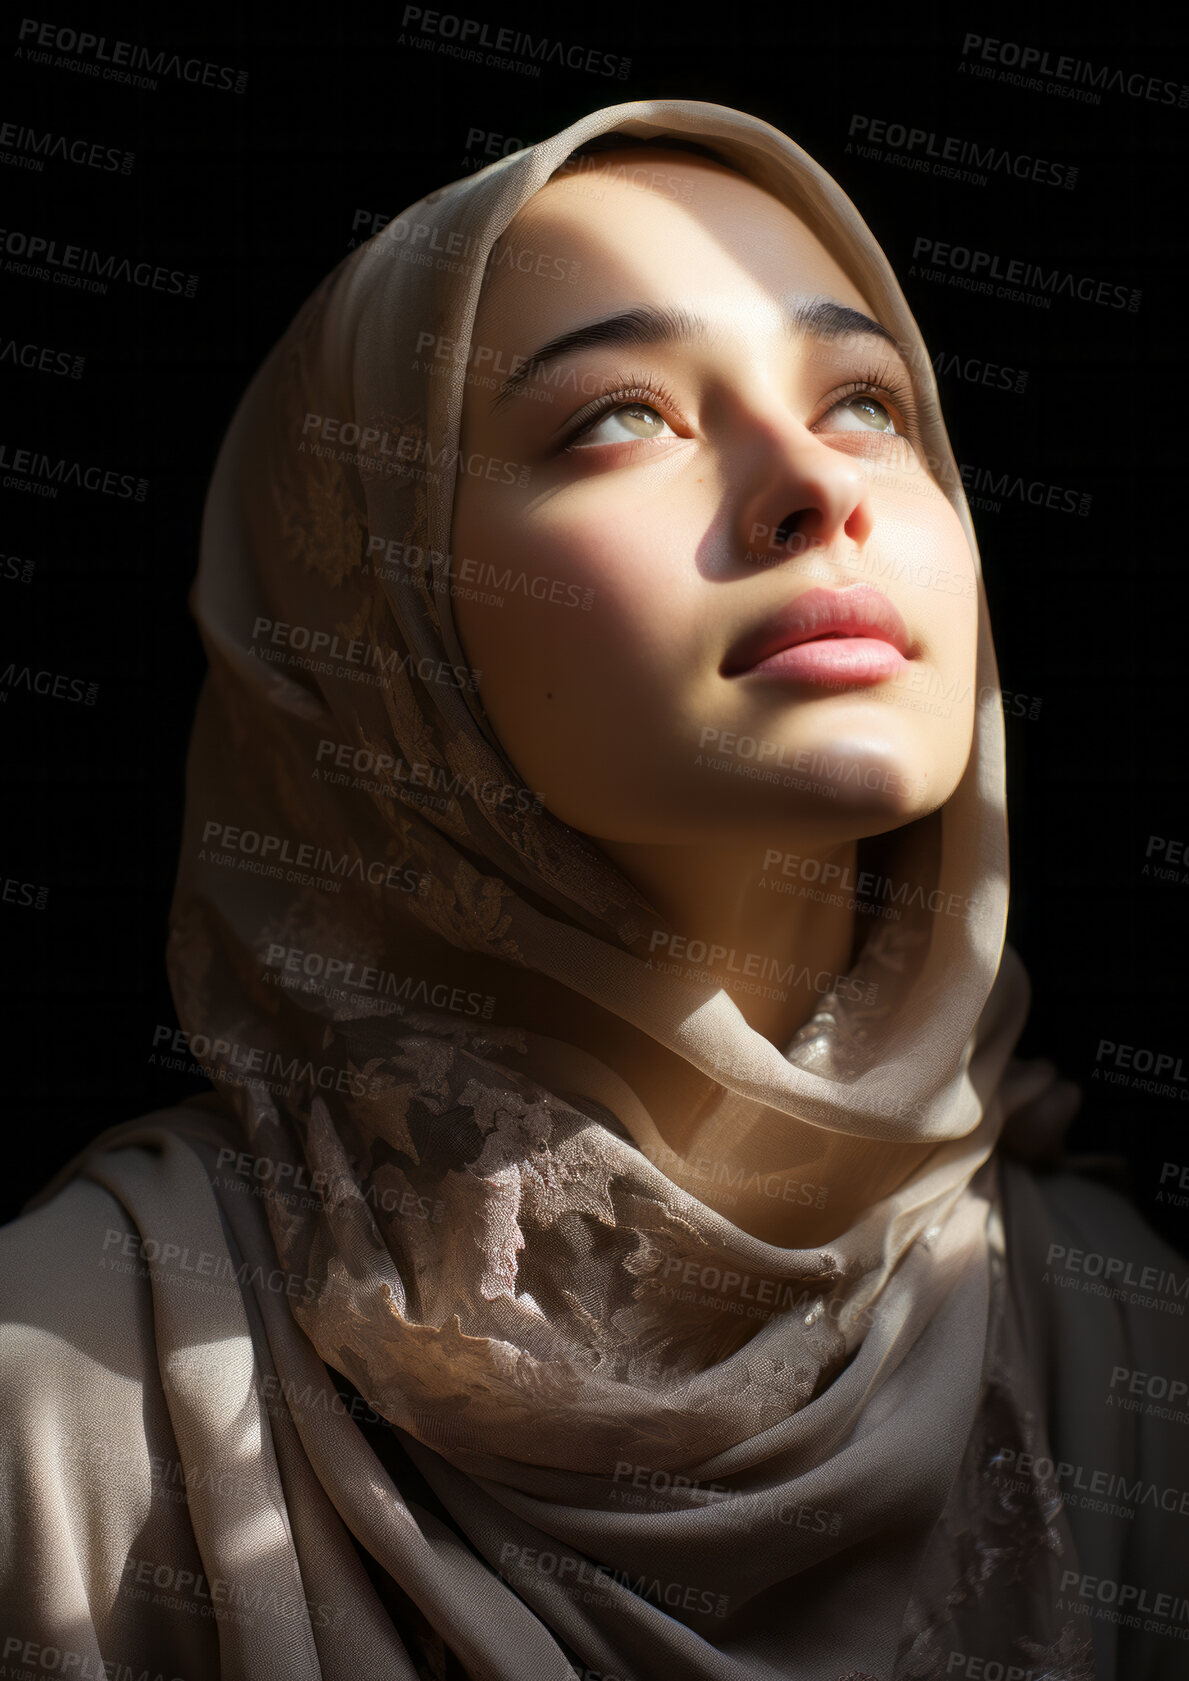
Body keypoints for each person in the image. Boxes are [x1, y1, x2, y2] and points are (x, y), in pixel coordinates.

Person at [1, 98, 1184, 1681]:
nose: (809, 488)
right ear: (381, 613)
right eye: (618, 416)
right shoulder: (75, 1389)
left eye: (864, 402)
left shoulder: (1128, 1349)